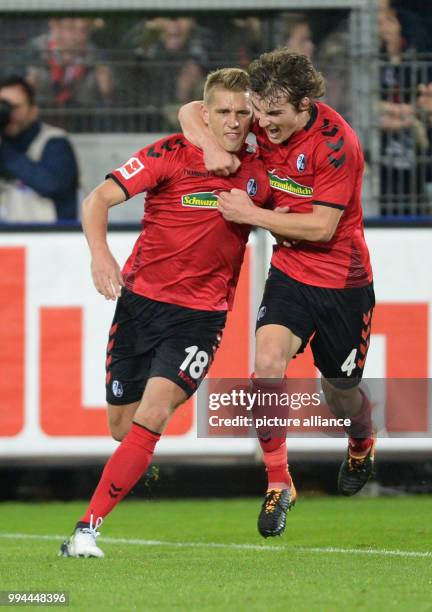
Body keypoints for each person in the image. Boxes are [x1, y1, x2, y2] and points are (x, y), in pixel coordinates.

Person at [59, 68, 271, 558]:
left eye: (243, 112)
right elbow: (98, 199)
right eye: (224, 112)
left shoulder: (264, 168)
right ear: (205, 113)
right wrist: (101, 254)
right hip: (140, 305)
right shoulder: (170, 153)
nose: (235, 122)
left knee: (154, 413)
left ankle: (86, 530)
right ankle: (135, 457)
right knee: (122, 426)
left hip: (201, 317)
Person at [179, 49, 375, 538]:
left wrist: (253, 216)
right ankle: (278, 481)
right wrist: (211, 147)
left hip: (342, 282)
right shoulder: (264, 119)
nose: (261, 124)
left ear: (304, 104)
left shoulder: (336, 143)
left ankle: (361, 440)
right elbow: (189, 111)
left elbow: (324, 226)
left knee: (340, 392)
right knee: (266, 363)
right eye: (257, 111)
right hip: (290, 273)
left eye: (274, 114)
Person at [0, 75, 79, 222]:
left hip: (49, 239)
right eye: (3, 106)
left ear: (33, 110)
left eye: (14, 107)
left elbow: (51, 185)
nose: (7, 113)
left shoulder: (54, 141)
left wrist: (3, 150)